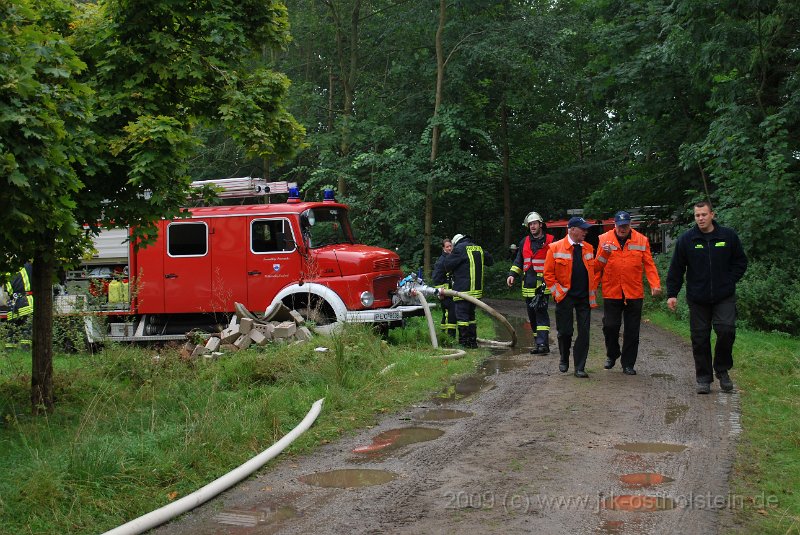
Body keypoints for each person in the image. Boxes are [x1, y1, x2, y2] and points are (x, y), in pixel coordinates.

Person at [666, 201, 748, 394]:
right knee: (700, 338)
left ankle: (722, 369)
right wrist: (672, 294)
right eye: (697, 215)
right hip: (698, 297)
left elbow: (740, 261)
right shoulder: (687, 239)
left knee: (726, 330)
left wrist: (729, 281)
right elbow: (676, 269)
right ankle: (703, 378)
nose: (700, 218)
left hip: (723, 295)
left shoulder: (728, 236)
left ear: (712, 215)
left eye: (704, 214)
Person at [596, 211, 662, 375]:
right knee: (610, 326)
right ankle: (612, 354)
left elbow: (649, 265)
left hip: (634, 292)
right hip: (612, 290)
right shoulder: (604, 239)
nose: (622, 229)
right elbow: (597, 267)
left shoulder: (641, 240)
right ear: (615, 225)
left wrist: (655, 284)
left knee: (632, 330)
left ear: (630, 225)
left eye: (625, 225)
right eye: (620, 226)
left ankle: (628, 364)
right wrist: (592, 286)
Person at [543, 217, 598, 378]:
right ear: (572, 229)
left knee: (584, 332)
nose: (586, 232)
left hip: (584, 298)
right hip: (565, 296)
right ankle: (564, 357)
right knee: (565, 332)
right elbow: (548, 275)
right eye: (583, 229)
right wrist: (558, 293)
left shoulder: (588, 248)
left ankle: (579, 367)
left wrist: (606, 255)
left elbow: (594, 269)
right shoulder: (555, 248)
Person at [506, 211, 555, 354]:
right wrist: (512, 274)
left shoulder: (551, 240)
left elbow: (557, 262)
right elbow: (519, 261)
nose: (532, 226)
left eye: (535, 223)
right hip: (527, 284)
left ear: (540, 224)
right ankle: (538, 343)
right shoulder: (524, 241)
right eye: (530, 224)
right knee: (532, 315)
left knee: (541, 313)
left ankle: (542, 344)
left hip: (543, 284)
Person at [443, 233, 493, 348]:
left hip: (463, 291)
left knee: (462, 318)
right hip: (476, 291)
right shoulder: (478, 248)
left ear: (456, 242)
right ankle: (472, 342)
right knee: (471, 317)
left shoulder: (459, 249)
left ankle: (464, 343)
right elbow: (490, 260)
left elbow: (447, 264)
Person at [4, 262, 34, 346]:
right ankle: (26, 349)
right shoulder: (29, 267)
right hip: (28, 302)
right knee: (26, 329)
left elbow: (7, 290)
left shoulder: (7, 271)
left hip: (13, 304)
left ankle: (10, 349)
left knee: (11, 330)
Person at [431, 238, 456, 338]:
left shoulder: (451, 258)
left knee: (449, 314)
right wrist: (440, 292)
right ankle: (448, 337)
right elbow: (436, 278)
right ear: (443, 248)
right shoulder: (442, 261)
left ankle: (446, 336)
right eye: (447, 247)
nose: (450, 248)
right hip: (445, 293)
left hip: (450, 292)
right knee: (448, 315)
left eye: (451, 246)